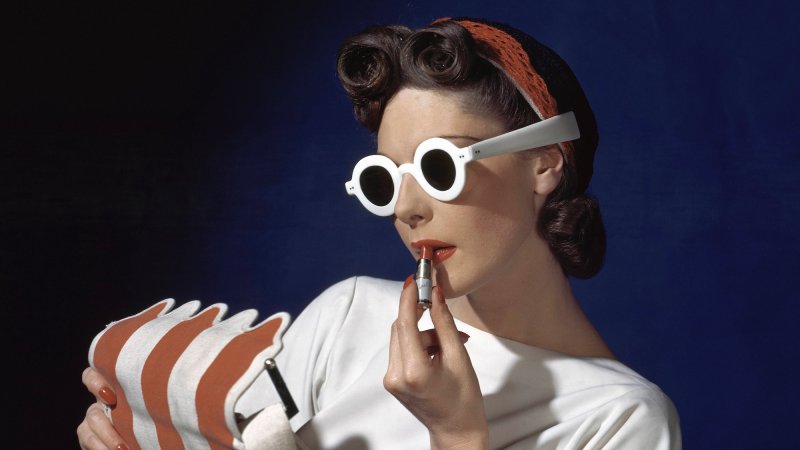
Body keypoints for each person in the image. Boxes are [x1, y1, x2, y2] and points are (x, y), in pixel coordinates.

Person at [78, 17, 681, 449]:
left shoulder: (619, 418)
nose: (408, 209)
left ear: (545, 163)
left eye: (442, 167)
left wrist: (457, 433)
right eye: (384, 179)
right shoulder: (348, 316)